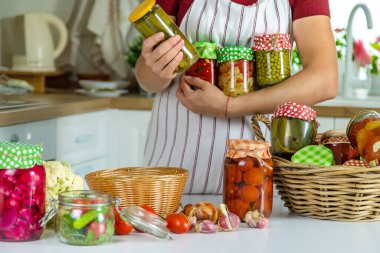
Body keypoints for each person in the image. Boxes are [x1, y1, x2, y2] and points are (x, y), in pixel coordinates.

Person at [135, 0, 338, 194]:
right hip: (174, 170)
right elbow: (147, 79)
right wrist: (155, 67)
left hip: (256, 178)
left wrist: (230, 106)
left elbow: (324, 79)